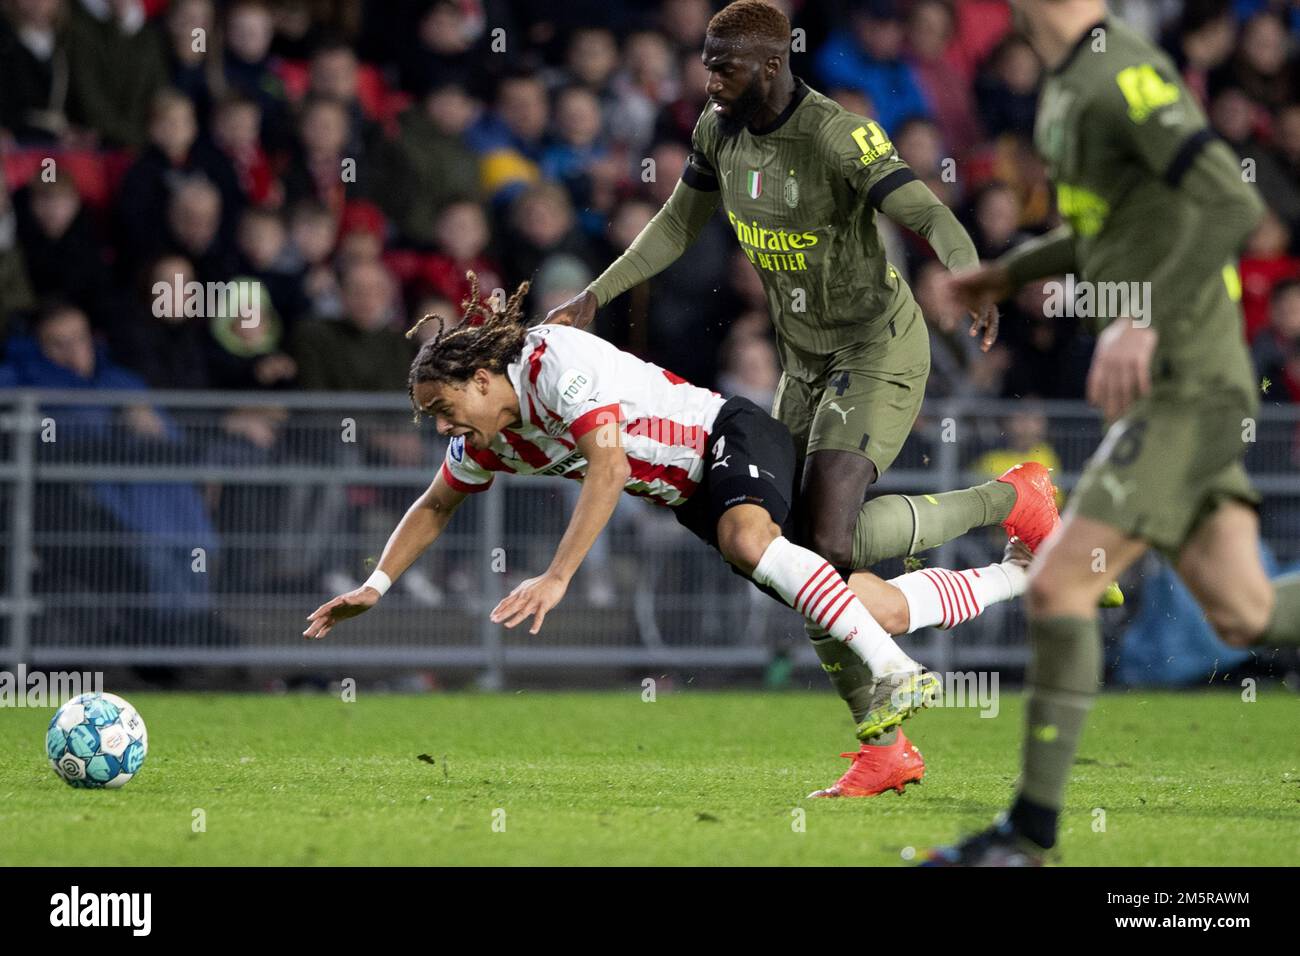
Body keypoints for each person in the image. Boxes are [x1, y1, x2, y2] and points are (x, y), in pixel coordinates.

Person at [542, 0, 1058, 796]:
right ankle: (882, 747)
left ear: (772, 64)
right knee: (784, 554)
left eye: (725, 65)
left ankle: (1008, 500)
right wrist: (595, 296)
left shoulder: (836, 134)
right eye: (706, 61)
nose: (708, 79)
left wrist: (969, 265)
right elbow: (677, 225)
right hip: (804, 360)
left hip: (876, 347)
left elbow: (919, 206)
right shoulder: (716, 132)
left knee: (825, 543)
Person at [304, 275, 1057, 796]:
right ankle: (1020, 562)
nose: (442, 428)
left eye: (442, 409)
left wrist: (559, 575)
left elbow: (607, 467)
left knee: (754, 539)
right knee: (864, 596)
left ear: (476, 377)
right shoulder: (486, 441)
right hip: (694, 496)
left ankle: (897, 671)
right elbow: (433, 506)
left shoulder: (548, 360)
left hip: (727, 434)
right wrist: (376, 585)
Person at [933, 0, 1300, 866]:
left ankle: (1027, 836)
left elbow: (1228, 203)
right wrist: (1008, 271)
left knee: (1059, 587)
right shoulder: (1067, 85)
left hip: (1188, 386)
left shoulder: (1118, 71)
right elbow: (1110, 233)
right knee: (1246, 612)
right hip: (1179, 390)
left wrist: (1139, 318)